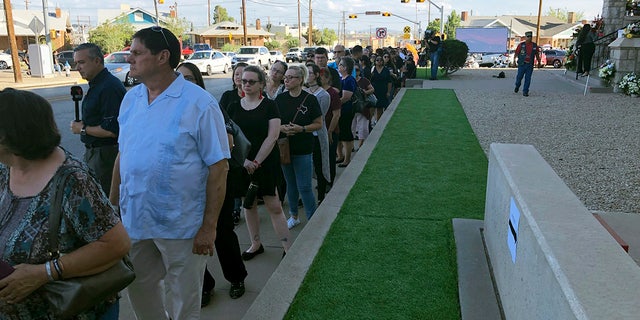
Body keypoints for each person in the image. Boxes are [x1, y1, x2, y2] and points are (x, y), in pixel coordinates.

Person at [110, 27, 229, 320]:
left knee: (183, 298)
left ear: (162, 57)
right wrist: (112, 204)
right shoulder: (131, 100)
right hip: (136, 219)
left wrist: (209, 227)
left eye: (137, 52)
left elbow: (218, 167)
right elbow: (123, 155)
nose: (130, 57)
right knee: (139, 288)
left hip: (182, 225)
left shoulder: (199, 103)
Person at [0, 88, 131, 319]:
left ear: (8, 135)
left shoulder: (72, 180)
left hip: (71, 310)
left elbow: (116, 244)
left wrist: (45, 272)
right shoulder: (5, 169)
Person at [176, 62, 247, 307]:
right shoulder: (171, 109)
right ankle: (205, 285)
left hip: (215, 182)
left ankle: (237, 278)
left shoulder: (209, 106)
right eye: (179, 78)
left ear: (199, 81)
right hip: (187, 188)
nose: (183, 83)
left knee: (222, 233)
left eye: (189, 78)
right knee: (190, 238)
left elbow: (227, 145)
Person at [227, 65, 293, 258]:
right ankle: (255, 244)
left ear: (261, 84)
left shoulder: (270, 106)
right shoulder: (233, 106)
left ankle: (288, 247)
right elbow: (230, 137)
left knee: (274, 205)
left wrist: (255, 162)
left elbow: (272, 137)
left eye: (251, 81)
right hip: (242, 163)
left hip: (265, 163)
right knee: (249, 204)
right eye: (243, 80)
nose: (246, 84)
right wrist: (244, 160)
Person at [70, 43, 125, 194]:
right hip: (95, 153)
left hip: (105, 156)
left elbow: (112, 130)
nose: (77, 68)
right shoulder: (97, 84)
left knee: (103, 198)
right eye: (76, 63)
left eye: (81, 62)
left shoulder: (109, 87)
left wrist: (82, 129)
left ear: (97, 61)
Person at [275, 66, 323, 229]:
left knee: (305, 186)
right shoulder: (280, 99)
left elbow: (318, 124)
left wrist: (301, 129)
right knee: (290, 185)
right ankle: (293, 215)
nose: (286, 80)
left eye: (291, 77)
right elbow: (273, 122)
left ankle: (312, 219)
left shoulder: (309, 99)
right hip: (285, 148)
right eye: (285, 77)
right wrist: (282, 128)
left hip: (303, 148)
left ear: (301, 79)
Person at [220, 62, 249, 224]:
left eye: (243, 73)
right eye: (237, 74)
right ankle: (236, 209)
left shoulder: (257, 96)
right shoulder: (227, 96)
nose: (239, 77)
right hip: (234, 145)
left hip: (251, 144)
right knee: (236, 180)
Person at [305, 63, 331, 204]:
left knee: (320, 167)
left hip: (317, 136)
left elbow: (320, 117)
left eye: (310, 72)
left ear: (316, 75)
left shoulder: (324, 95)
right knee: (305, 168)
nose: (307, 75)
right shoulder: (303, 92)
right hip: (304, 136)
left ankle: (321, 196)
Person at [319, 67, 341, 197]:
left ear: (327, 78)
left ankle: (330, 182)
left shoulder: (332, 93)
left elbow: (336, 115)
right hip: (319, 131)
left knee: (330, 158)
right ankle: (322, 180)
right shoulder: (317, 92)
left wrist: (329, 131)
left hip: (330, 131)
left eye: (321, 77)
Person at [336, 57, 357, 168]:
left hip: (346, 111)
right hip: (340, 111)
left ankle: (347, 158)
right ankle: (340, 156)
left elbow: (345, 98)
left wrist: (334, 104)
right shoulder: (342, 79)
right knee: (339, 134)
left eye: (340, 65)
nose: (338, 66)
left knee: (345, 134)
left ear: (345, 68)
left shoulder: (349, 80)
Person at [352, 64, 375, 151]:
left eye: (357, 70)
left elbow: (372, 89)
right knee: (351, 128)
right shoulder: (349, 80)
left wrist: (364, 92)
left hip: (363, 107)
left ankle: (360, 145)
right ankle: (351, 146)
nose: (356, 72)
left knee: (363, 127)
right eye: (354, 70)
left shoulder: (364, 80)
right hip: (352, 108)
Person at [514, 31, 542, 97]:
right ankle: (517, 86)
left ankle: (525, 91)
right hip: (522, 64)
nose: (529, 38)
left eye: (530, 37)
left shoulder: (534, 46)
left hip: (530, 65)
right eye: (528, 36)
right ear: (525, 37)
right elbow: (516, 53)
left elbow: (537, 54)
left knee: (528, 78)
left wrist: (539, 62)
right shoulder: (521, 45)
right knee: (519, 77)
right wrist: (514, 61)